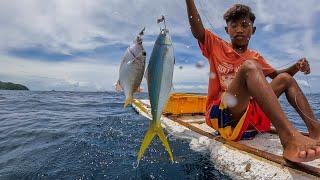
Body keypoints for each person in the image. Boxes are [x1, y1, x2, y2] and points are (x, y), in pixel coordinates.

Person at [185, 0, 320, 163]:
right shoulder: (216, 45)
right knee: (250, 67)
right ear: (226, 30)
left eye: (244, 25)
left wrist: (297, 67)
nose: (239, 30)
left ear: (253, 30)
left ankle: (316, 131)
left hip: (249, 112)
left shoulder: (255, 57)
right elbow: (197, 30)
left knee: (285, 79)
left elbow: (277, 76)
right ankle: (289, 138)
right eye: (233, 26)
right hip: (225, 114)